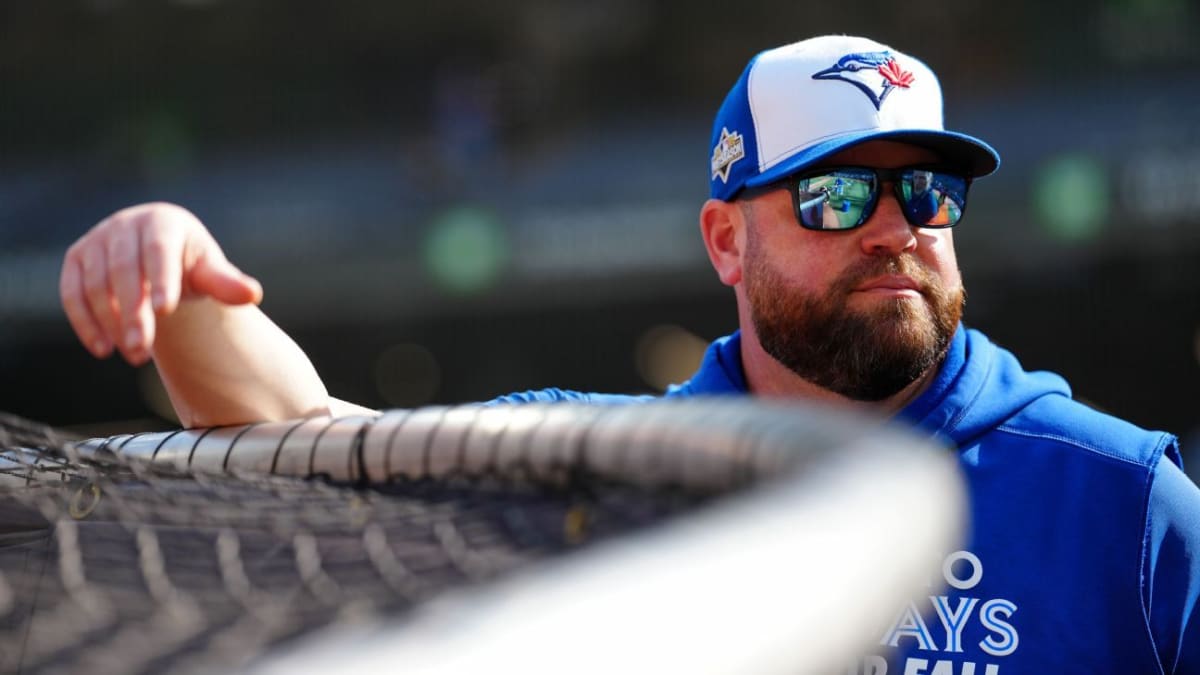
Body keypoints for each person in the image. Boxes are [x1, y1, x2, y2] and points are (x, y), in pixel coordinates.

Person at [59, 35, 1199, 673]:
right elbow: (302, 445)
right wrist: (178, 283)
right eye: (839, 193)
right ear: (725, 241)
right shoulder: (605, 467)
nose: (896, 225)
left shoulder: (1125, 499)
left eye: (927, 192)